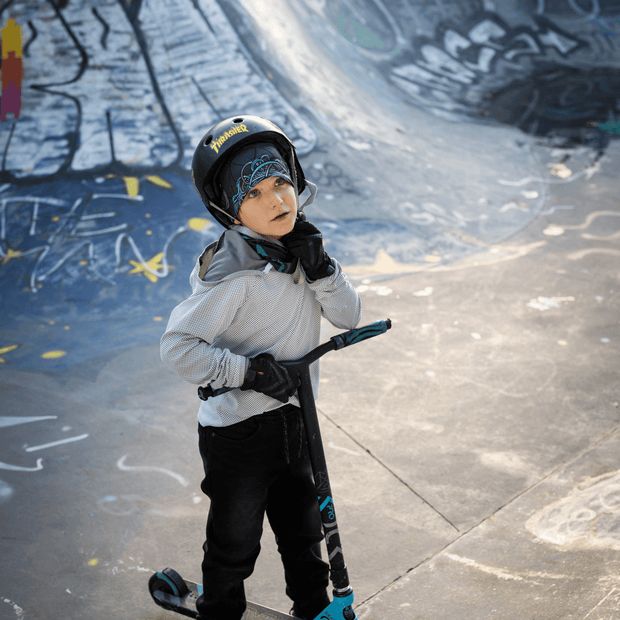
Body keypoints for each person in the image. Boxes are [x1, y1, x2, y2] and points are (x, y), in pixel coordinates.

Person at [160, 115, 362, 620]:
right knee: (236, 538)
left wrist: (324, 271)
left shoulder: (302, 251)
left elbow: (349, 316)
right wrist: (246, 373)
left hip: (297, 419)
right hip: (238, 432)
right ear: (229, 208)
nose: (278, 201)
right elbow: (177, 347)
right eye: (255, 194)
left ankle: (313, 607)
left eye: (281, 183)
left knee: (304, 534)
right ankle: (222, 609)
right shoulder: (231, 276)